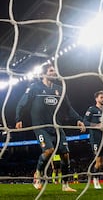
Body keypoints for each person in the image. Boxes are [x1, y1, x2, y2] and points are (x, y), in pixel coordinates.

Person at [15, 63, 86, 192]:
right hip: (41, 126)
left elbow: (68, 108)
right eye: (51, 71)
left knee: (65, 155)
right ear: (43, 74)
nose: (54, 73)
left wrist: (79, 119)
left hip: (57, 127)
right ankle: (37, 176)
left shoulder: (59, 89)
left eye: (55, 71)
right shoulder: (34, 88)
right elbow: (22, 103)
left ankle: (65, 185)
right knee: (49, 151)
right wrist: (18, 118)